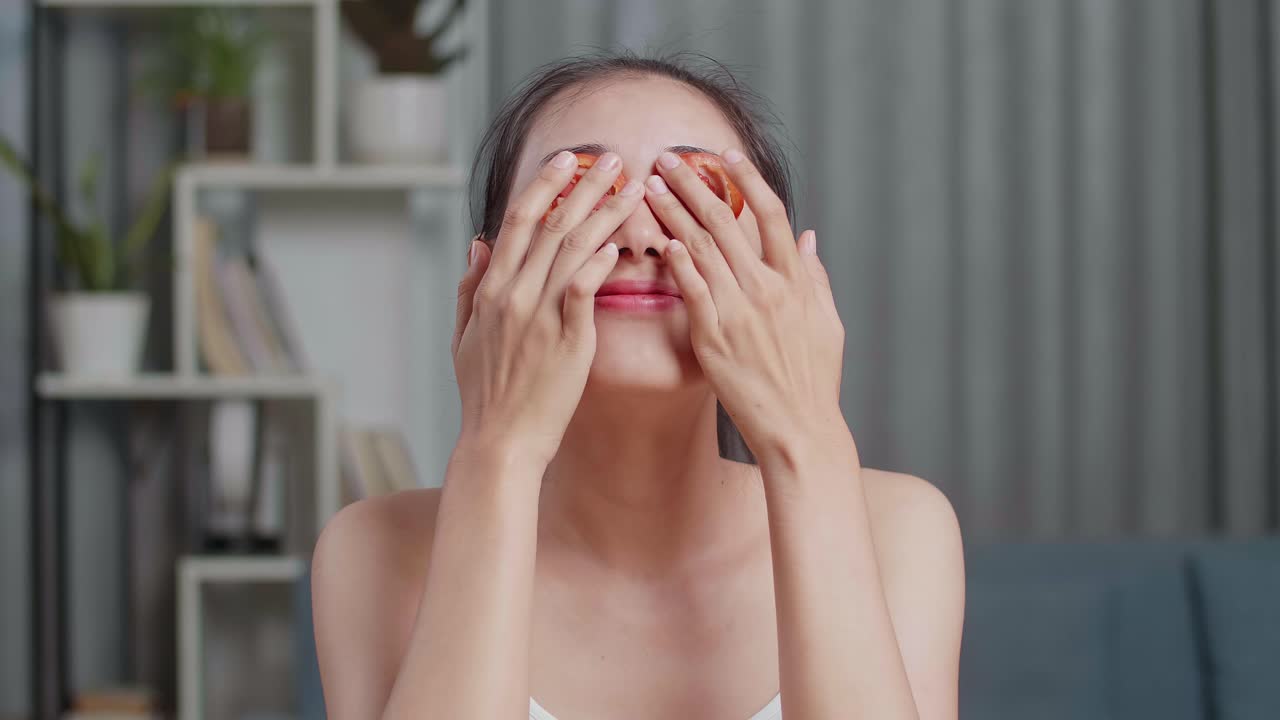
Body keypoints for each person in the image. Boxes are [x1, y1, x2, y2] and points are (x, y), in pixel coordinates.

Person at [311, 52, 965, 720]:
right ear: (487, 273)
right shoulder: (374, 552)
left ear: (779, 273)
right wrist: (496, 449)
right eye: (583, 192)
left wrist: (806, 438)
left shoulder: (901, 534)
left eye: (694, 196)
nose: (641, 236)